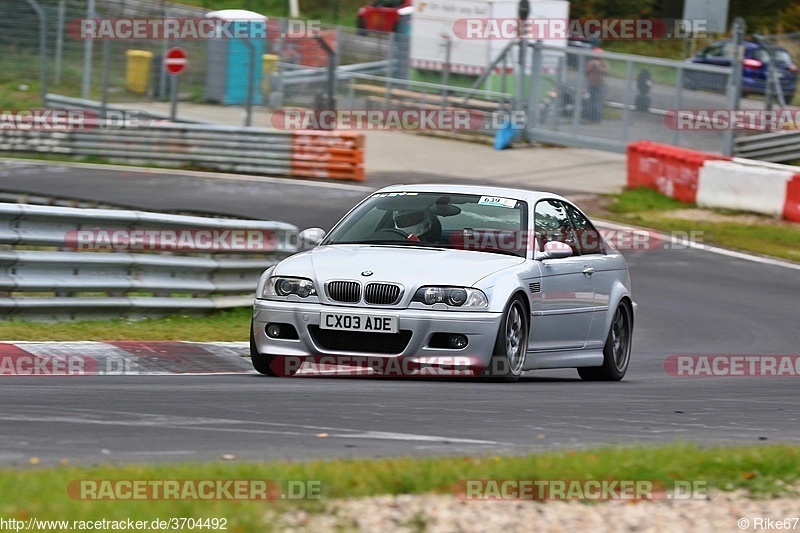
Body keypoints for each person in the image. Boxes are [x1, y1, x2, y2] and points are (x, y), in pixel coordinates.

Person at [584, 48, 608, 123]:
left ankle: (597, 119)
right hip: (591, 84)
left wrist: (598, 66)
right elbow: (586, 71)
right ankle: (590, 118)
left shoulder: (603, 63)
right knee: (591, 102)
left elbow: (605, 72)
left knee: (597, 102)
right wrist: (592, 66)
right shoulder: (590, 62)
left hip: (600, 85)